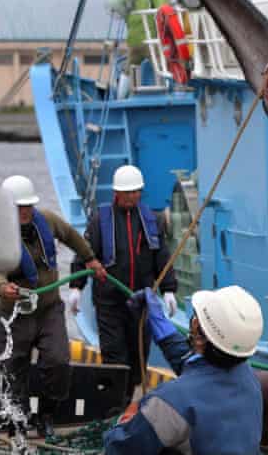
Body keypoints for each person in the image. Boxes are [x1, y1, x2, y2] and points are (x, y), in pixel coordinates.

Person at [0, 175, 107, 438]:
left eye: (28, 206)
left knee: (58, 361)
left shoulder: (48, 221)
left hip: (48, 309)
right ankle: (16, 420)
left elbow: (72, 236)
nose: (26, 211)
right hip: (14, 313)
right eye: (20, 207)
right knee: (11, 369)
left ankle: (46, 414)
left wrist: (89, 259)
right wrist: (2, 288)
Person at [103, 285, 263, 454]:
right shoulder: (249, 378)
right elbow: (195, 365)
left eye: (195, 319)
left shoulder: (169, 402)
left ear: (200, 337)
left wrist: (126, 418)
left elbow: (120, 448)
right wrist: (158, 320)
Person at [70, 164, 178, 395]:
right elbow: (84, 253)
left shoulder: (152, 221)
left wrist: (169, 290)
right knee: (114, 357)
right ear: (117, 193)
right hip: (110, 302)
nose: (132, 196)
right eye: (127, 192)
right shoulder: (100, 221)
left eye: (136, 191)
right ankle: (113, 408)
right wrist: (76, 288)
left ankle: (126, 400)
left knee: (137, 359)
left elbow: (162, 256)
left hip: (141, 302)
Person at [106, 0, 166, 66]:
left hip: (133, 43)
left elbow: (117, 11)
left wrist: (115, 43)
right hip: (150, 41)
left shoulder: (127, 3)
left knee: (129, 69)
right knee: (160, 67)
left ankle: (124, 80)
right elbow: (163, 9)